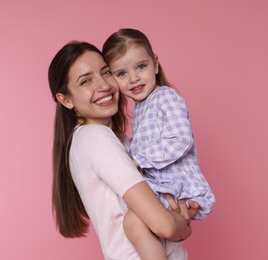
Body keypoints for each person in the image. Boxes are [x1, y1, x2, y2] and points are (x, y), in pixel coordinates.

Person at [48, 41, 200, 260]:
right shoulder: (95, 137)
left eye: (106, 72)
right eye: (86, 81)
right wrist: (182, 226)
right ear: (66, 100)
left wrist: (176, 221)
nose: (104, 85)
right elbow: (164, 225)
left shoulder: (117, 140)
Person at [102, 28, 216, 259]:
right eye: (122, 73)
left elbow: (180, 139)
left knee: (134, 223)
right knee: (144, 227)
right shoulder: (142, 108)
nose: (134, 78)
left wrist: (138, 159)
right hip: (163, 186)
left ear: (155, 64)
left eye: (141, 67)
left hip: (176, 185)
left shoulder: (165, 96)